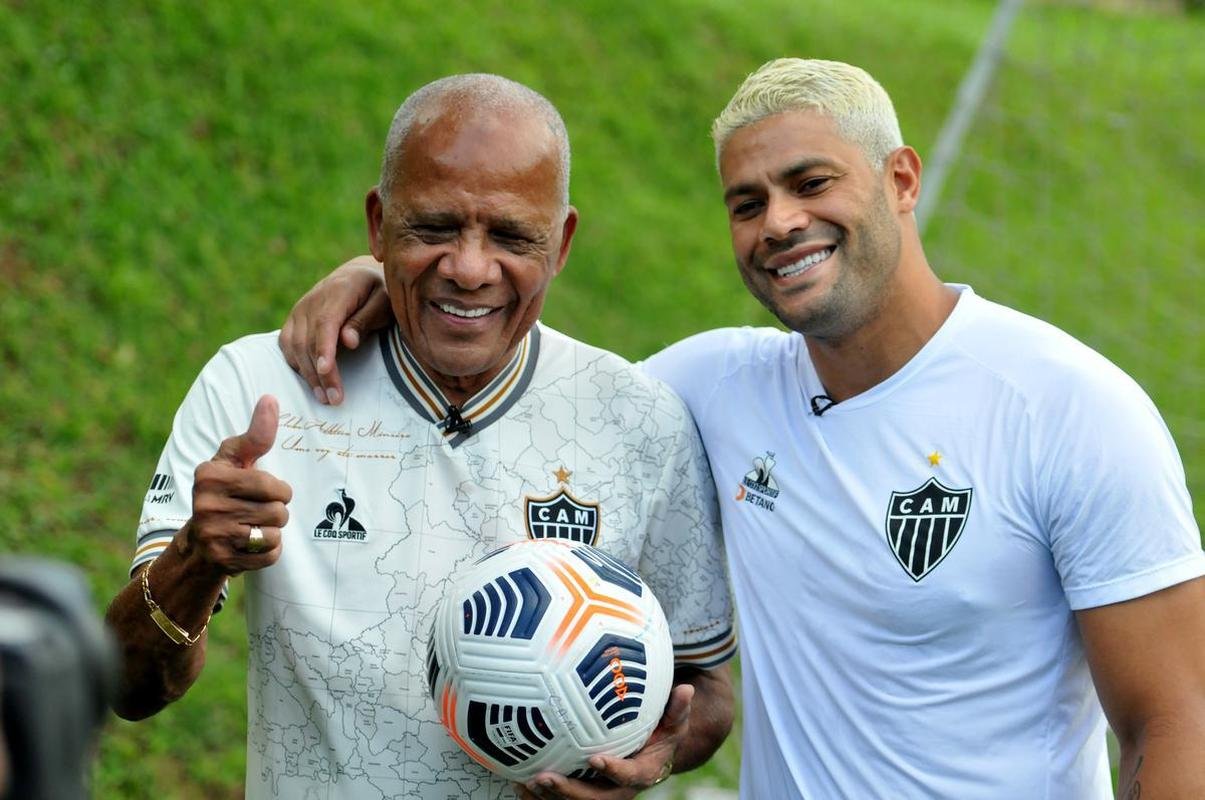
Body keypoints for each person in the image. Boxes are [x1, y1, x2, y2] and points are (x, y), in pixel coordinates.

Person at [282, 58, 1205, 798]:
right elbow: (530, 378)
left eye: (810, 183)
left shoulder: (1071, 410)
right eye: (746, 202)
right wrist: (376, 280)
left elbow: (1173, 721)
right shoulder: (715, 383)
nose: (779, 222)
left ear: (900, 178)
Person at [105, 74, 737, 800]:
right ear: (378, 225)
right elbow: (130, 688)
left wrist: (655, 752)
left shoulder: (643, 420)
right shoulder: (257, 391)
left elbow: (703, 685)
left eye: (509, 235)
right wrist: (193, 558)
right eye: (433, 228)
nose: (468, 269)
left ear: (560, 243)